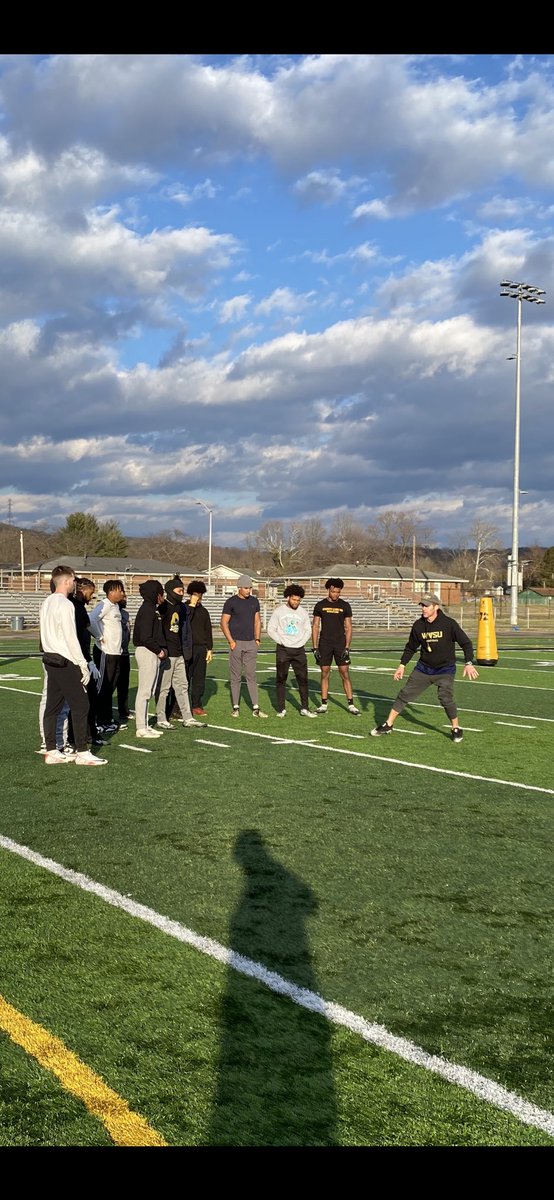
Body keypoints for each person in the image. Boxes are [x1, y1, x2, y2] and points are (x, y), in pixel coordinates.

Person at [370, 592, 479, 742]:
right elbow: (411, 647)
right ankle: (388, 724)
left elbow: (466, 643)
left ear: (436, 606)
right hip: (424, 668)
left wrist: (468, 662)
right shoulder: (418, 625)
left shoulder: (448, 623)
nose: (423, 608)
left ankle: (456, 728)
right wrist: (402, 665)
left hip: (445, 669)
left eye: (427, 606)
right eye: (422, 605)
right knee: (404, 694)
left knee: (445, 698)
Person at [39, 564, 107, 766]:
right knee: (80, 705)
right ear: (68, 581)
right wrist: (82, 663)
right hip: (65, 659)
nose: (76, 584)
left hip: (50, 658)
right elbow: (70, 637)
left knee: (52, 706)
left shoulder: (47, 602)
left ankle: (51, 750)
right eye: (74, 580)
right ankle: (82, 751)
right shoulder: (65, 604)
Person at [155, 577, 207, 730]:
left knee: (183, 686)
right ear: (170, 591)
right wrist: (161, 649)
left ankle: (187, 717)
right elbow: (159, 630)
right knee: (164, 688)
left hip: (179, 653)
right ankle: (161, 717)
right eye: (179, 591)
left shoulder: (182, 608)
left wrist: (186, 650)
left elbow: (185, 630)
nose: (182, 593)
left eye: (183, 590)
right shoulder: (163, 608)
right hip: (167, 653)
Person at [267, 584, 318, 718]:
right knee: (281, 679)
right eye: (294, 599)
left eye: (298, 600)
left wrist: (301, 642)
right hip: (283, 650)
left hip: (299, 650)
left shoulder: (303, 612)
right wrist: (281, 641)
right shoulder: (279, 611)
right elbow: (270, 629)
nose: (296, 602)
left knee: (303, 680)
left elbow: (308, 630)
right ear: (288, 597)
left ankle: (305, 708)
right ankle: (281, 709)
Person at [220, 575, 267, 718]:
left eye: (250, 588)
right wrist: (231, 641)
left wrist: (257, 639)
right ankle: (236, 707)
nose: (249, 591)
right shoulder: (231, 602)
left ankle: (256, 707)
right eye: (246, 588)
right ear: (239, 588)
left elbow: (257, 621)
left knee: (251, 675)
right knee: (235, 676)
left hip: (251, 642)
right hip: (236, 643)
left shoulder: (254, 601)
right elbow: (224, 623)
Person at [311, 578, 360, 715]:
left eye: (338, 592)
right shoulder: (320, 605)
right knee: (325, 673)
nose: (336, 594)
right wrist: (315, 647)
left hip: (340, 644)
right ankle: (324, 703)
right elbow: (315, 626)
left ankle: (351, 704)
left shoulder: (345, 605)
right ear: (329, 590)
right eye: (333, 591)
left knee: (344, 673)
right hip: (325, 643)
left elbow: (349, 627)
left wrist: (347, 647)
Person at [132, 580, 168, 738]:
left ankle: (145, 724)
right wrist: (158, 650)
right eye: (161, 593)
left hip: (150, 651)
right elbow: (145, 636)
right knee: (145, 691)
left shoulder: (152, 609)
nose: (163, 596)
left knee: (150, 690)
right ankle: (141, 727)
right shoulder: (147, 609)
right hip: (147, 651)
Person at [89, 579, 125, 732]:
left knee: (110, 686)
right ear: (111, 591)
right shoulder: (104, 605)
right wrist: (99, 636)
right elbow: (91, 619)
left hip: (116, 653)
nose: (123, 593)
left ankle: (107, 718)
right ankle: (96, 719)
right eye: (120, 590)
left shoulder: (116, 606)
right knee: (102, 687)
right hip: (105, 652)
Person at [73, 576, 103, 746]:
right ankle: (77, 738)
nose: (92, 596)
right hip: (77, 660)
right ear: (82, 589)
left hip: (83, 657)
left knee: (90, 698)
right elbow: (76, 638)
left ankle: (91, 734)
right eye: (90, 592)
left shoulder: (80, 608)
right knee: (80, 702)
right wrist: (87, 661)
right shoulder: (75, 608)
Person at [184, 580, 214, 716]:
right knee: (184, 679)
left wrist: (209, 649)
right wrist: (191, 605)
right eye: (195, 595)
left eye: (200, 595)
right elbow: (185, 621)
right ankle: (182, 706)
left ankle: (197, 705)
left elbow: (208, 631)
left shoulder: (204, 612)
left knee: (199, 679)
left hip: (201, 649)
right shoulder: (184, 608)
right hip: (186, 649)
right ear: (190, 594)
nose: (198, 598)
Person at [116, 593, 131, 725]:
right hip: (113, 653)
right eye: (123, 597)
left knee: (124, 684)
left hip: (125, 653)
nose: (125, 600)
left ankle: (123, 711)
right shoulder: (110, 611)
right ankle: (103, 713)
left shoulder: (125, 614)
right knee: (109, 684)